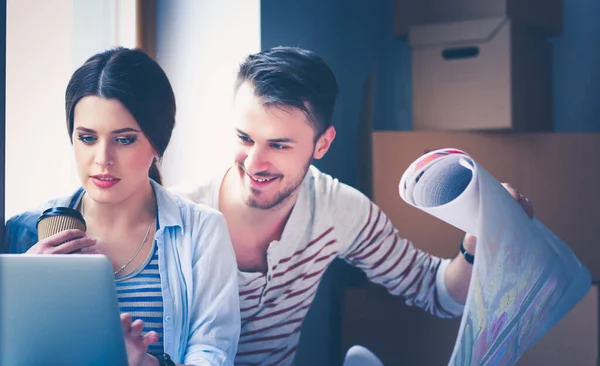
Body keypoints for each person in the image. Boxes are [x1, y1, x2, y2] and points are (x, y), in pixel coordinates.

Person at [170, 46, 534, 365]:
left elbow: (438, 293)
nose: (253, 163)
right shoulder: (178, 217)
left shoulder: (338, 209)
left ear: (322, 145)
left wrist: (475, 242)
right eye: (244, 138)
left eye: (279, 145)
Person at [4, 47, 241, 366]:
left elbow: (213, 352)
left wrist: (146, 364)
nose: (102, 158)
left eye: (124, 139)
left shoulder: (202, 231)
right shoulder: (22, 233)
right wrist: (19, 296)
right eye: (87, 138)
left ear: (158, 143)